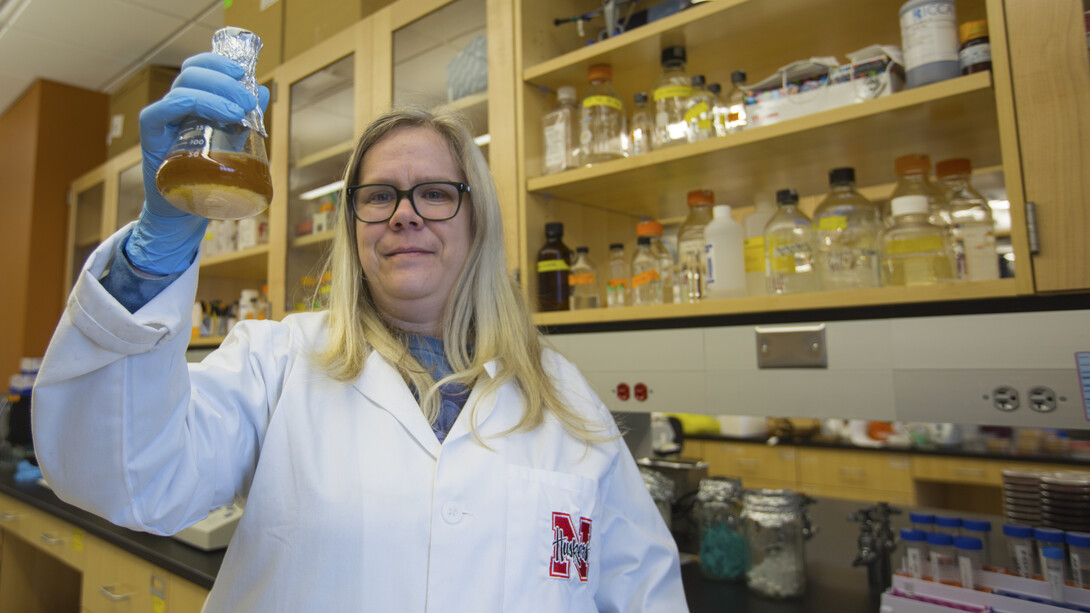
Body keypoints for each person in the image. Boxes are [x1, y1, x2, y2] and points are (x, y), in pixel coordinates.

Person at [32, 52, 688, 611]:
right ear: (353, 226)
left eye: (434, 193)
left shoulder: (565, 398)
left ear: (476, 221)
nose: (404, 216)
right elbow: (121, 472)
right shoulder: (279, 362)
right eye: (378, 196)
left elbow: (644, 591)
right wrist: (155, 252)